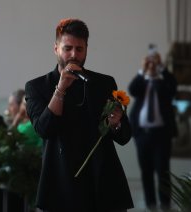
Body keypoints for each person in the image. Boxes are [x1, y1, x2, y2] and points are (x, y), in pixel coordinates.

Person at [25, 18, 133, 211]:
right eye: (67, 48)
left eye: (79, 49)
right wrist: (61, 88)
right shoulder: (37, 87)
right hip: (61, 181)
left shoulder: (103, 83)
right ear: (56, 49)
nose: (74, 54)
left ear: (86, 49)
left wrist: (116, 123)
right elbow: (45, 129)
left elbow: (124, 136)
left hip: (103, 180)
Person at [128, 50, 177, 210]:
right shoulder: (141, 84)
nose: (151, 66)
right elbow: (132, 89)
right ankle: (150, 203)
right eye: (150, 64)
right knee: (146, 170)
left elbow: (173, 87)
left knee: (163, 170)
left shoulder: (163, 84)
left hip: (161, 135)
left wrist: (161, 67)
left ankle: (165, 203)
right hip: (142, 134)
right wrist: (143, 69)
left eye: (153, 64)